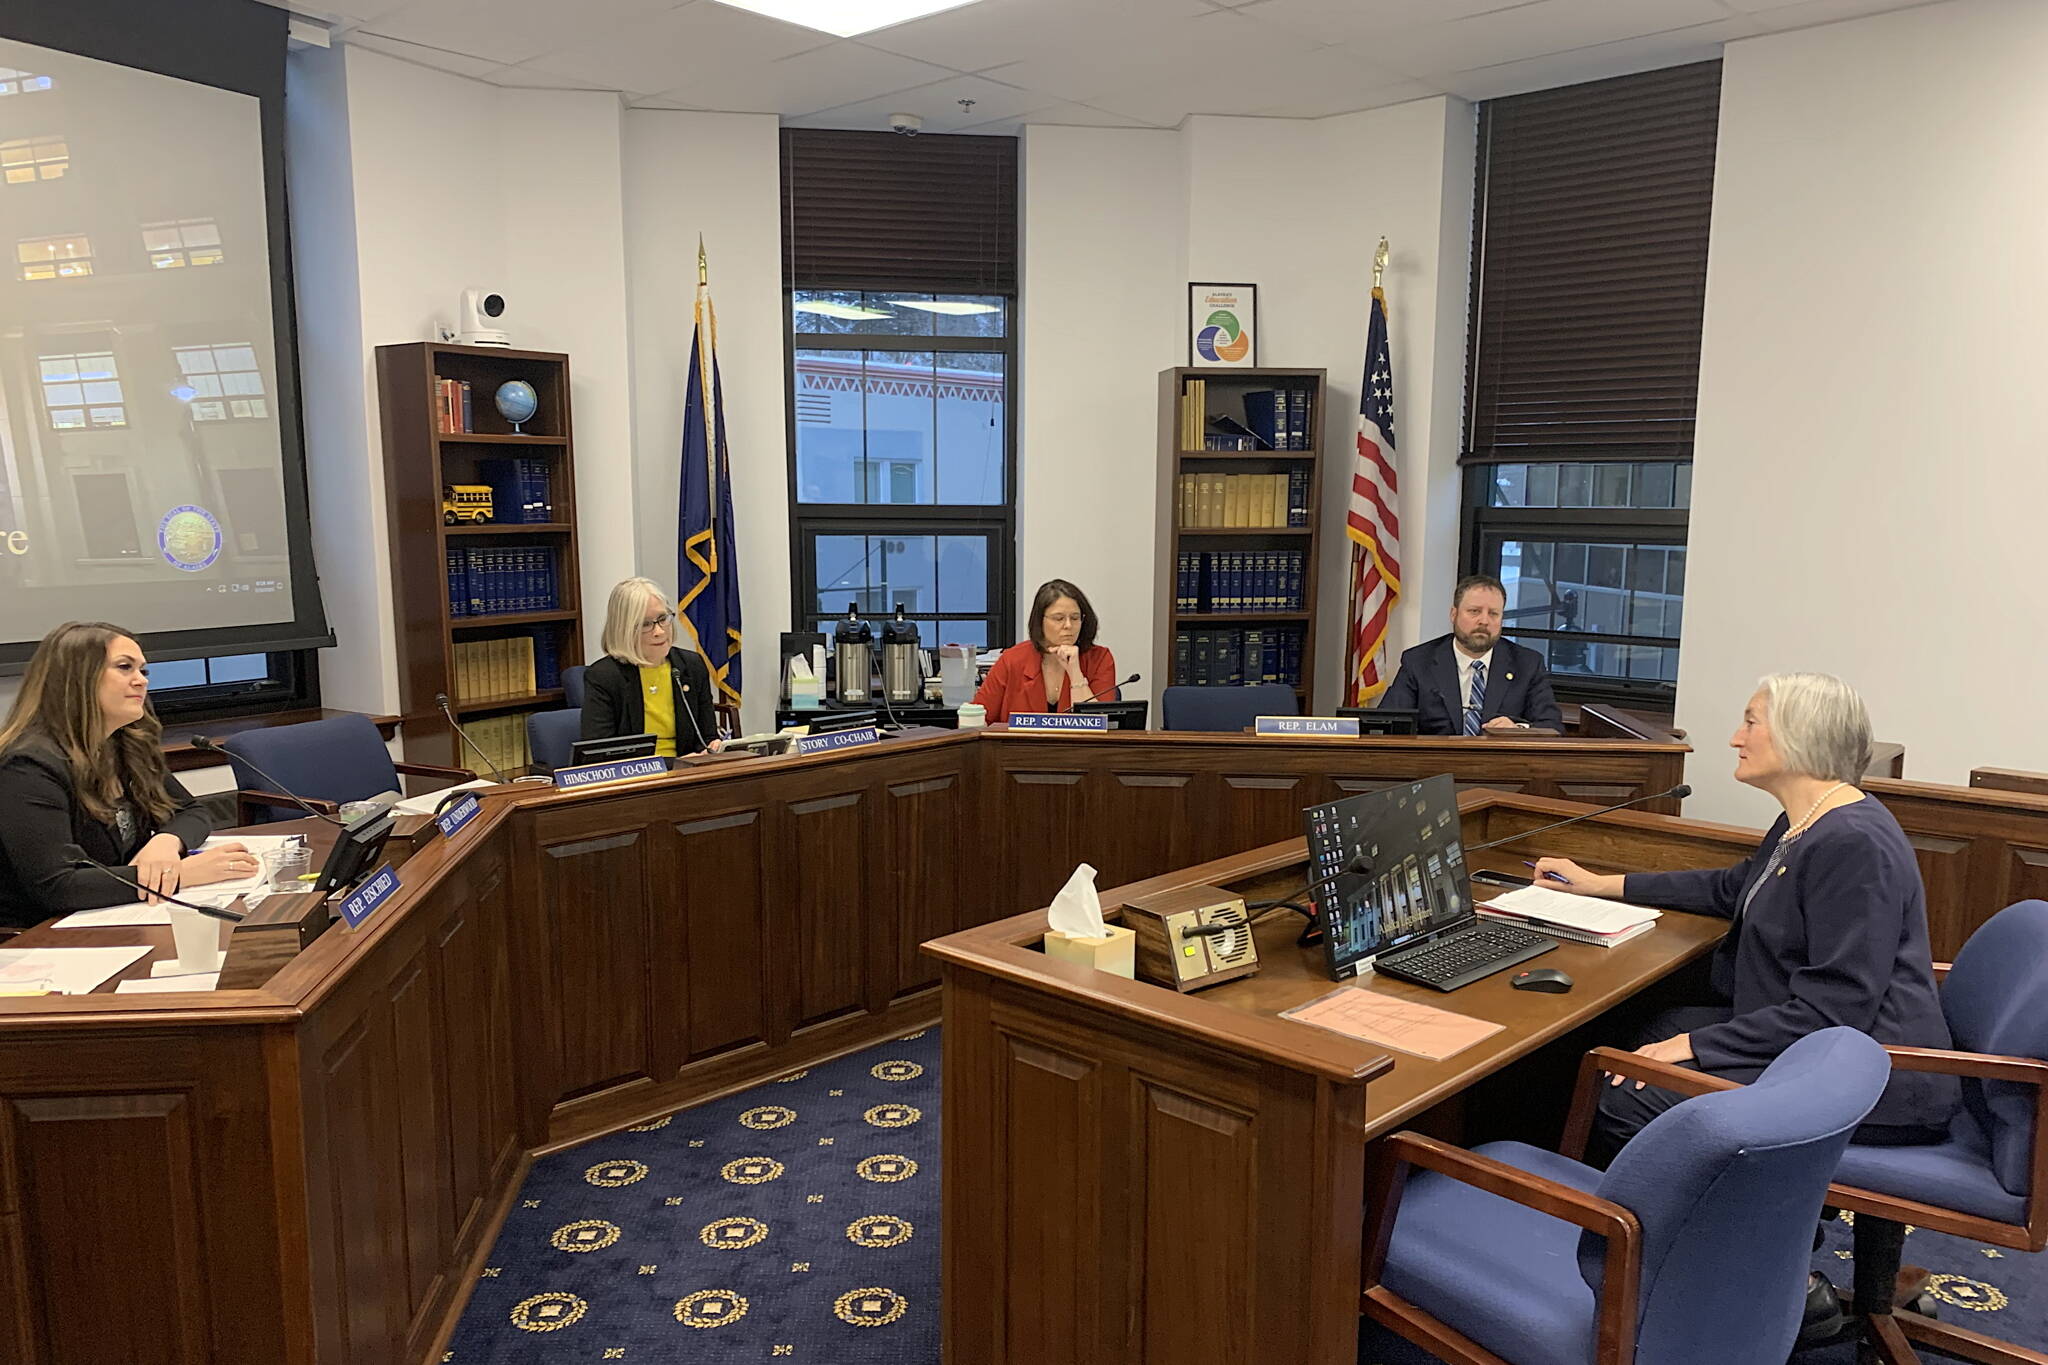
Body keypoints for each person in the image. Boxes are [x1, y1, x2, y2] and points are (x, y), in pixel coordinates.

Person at [1536, 672, 1956, 1159]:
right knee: (1641, 1030)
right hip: (1808, 1038)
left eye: (1750, 723)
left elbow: (1833, 1011)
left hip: (1866, 1076)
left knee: (1621, 1100)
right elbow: (1733, 886)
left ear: (1799, 736)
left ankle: (1723, 1231)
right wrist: (1602, 885)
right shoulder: (1808, 819)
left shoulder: (1852, 844)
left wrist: (1697, 1045)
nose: (1736, 737)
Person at [0, 622, 257, 930]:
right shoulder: (27, 766)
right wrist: (183, 874)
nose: (141, 681)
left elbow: (190, 810)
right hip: (39, 936)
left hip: (112, 916)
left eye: (143, 671)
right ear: (77, 679)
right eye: (125, 668)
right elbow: (59, 885)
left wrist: (166, 841)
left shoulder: (124, 743)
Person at [1379, 573, 1562, 735]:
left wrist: (1517, 731)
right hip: (1436, 766)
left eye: (1493, 614)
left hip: (1501, 768)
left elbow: (1552, 727)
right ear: (1454, 614)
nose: (1484, 621)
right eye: (1474, 611)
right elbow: (1390, 723)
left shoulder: (1527, 664)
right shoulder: (1419, 661)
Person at [581, 577, 720, 757]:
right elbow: (599, 755)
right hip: (638, 780)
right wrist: (675, 766)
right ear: (624, 629)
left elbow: (706, 737)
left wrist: (713, 748)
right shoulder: (604, 677)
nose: (659, 631)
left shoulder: (691, 666)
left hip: (690, 776)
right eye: (646, 624)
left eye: (663, 619)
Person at [973, 579, 1117, 725]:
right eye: (1058, 618)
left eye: (1075, 618)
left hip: (1078, 748)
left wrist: (1075, 674)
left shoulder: (1099, 659)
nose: (1068, 625)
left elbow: (1100, 726)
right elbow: (976, 719)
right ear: (1040, 621)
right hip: (1020, 747)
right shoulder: (1012, 660)